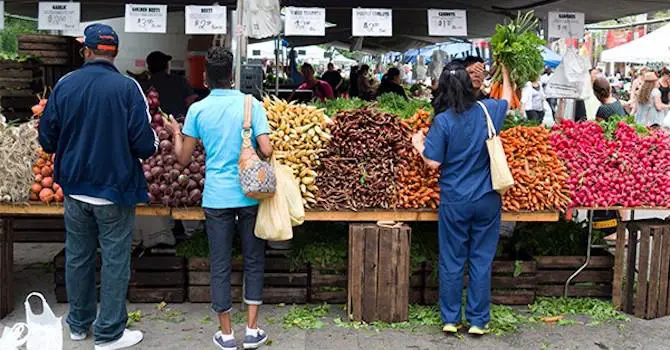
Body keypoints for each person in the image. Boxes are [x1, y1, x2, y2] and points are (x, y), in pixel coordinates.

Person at [39, 23, 156, 350]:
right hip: (115, 191)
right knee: (115, 260)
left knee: (78, 256)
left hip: (74, 189)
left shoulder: (64, 85)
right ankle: (109, 334)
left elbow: (47, 138)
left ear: (86, 51)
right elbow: (145, 145)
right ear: (114, 53)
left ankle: (78, 325)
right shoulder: (129, 88)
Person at [164, 47, 272, 350]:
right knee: (253, 259)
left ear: (204, 77)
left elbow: (183, 159)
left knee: (220, 263)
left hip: (215, 197)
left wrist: (175, 132)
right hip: (249, 195)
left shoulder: (198, 110)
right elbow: (266, 150)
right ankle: (252, 331)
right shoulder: (252, 104)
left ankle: (225, 335)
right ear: (233, 75)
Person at [412, 61, 513, 336]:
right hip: (487, 198)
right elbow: (507, 98)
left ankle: (450, 319)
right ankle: (478, 321)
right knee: (481, 259)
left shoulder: (443, 121)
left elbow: (432, 163)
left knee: (452, 259)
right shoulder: (487, 110)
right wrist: (505, 73)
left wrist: (418, 144)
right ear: (471, 87)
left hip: (455, 200)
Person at [143, 51, 198, 119]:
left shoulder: (146, 86)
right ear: (167, 66)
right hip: (178, 124)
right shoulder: (180, 81)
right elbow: (192, 101)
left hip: (155, 125)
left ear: (149, 68)